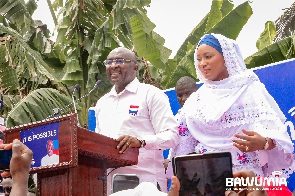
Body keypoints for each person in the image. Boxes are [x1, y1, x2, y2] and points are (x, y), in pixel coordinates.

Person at [179, 33, 294, 188]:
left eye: (208, 56)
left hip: (245, 179)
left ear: (226, 57)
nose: (202, 63)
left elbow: (277, 137)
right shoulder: (196, 99)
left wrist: (264, 142)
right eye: (199, 59)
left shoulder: (250, 89)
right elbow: (183, 142)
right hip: (206, 181)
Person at [93, 47, 180, 194]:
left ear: (135, 67)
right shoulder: (102, 103)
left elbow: (172, 136)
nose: (113, 65)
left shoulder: (150, 94)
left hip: (146, 183)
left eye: (120, 61)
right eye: (109, 62)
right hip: (110, 186)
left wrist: (141, 142)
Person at [165, 76, 199, 189]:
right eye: (179, 95)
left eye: (187, 93)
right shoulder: (176, 118)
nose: (183, 99)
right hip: (182, 173)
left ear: (197, 92)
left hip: (201, 168)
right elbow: (174, 146)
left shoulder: (206, 114)